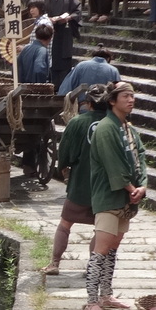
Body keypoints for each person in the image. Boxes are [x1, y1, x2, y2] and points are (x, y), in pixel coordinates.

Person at [83, 81, 146, 310]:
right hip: (109, 196)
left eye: (132, 96)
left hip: (126, 198)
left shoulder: (128, 128)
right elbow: (113, 164)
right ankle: (90, 301)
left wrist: (143, 185)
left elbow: (140, 155)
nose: (130, 100)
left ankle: (106, 294)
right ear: (112, 101)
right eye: (125, 96)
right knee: (100, 250)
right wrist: (132, 187)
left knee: (112, 249)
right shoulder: (106, 127)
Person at [43, 84, 110, 275]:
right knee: (101, 228)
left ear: (88, 103)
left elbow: (64, 153)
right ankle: (93, 267)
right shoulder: (115, 123)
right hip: (106, 186)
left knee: (65, 223)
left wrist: (63, 168)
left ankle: (55, 263)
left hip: (81, 181)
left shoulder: (78, 122)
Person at [42, 0, 80, 91]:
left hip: (65, 33)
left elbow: (77, 12)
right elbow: (42, 15)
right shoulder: (46, 0)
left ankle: (64, 89)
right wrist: (50, 19)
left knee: (65, 59)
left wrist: (69, 18)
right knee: (52, 60)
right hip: (51, 33)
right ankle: (52, 87)